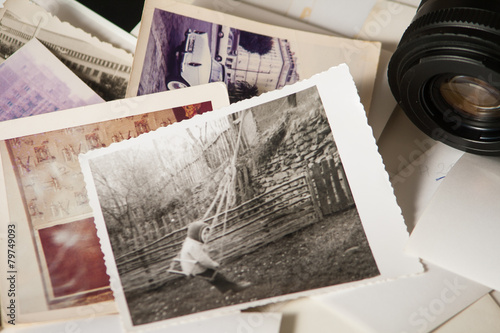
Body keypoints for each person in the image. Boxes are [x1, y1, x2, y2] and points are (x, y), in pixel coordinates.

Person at [179, 221, 251, 293]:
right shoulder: (193, 246)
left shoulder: (192, 242)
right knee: (216, 276)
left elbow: (201, 253)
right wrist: (213, 264)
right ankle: (233, 288)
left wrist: (211, 252)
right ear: (196, 234)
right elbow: (203, 259)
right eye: (204, 233)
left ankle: (227, 289)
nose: (206, 236)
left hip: (194, 266)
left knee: (215, 278)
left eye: (207, 233)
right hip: (194, 268)